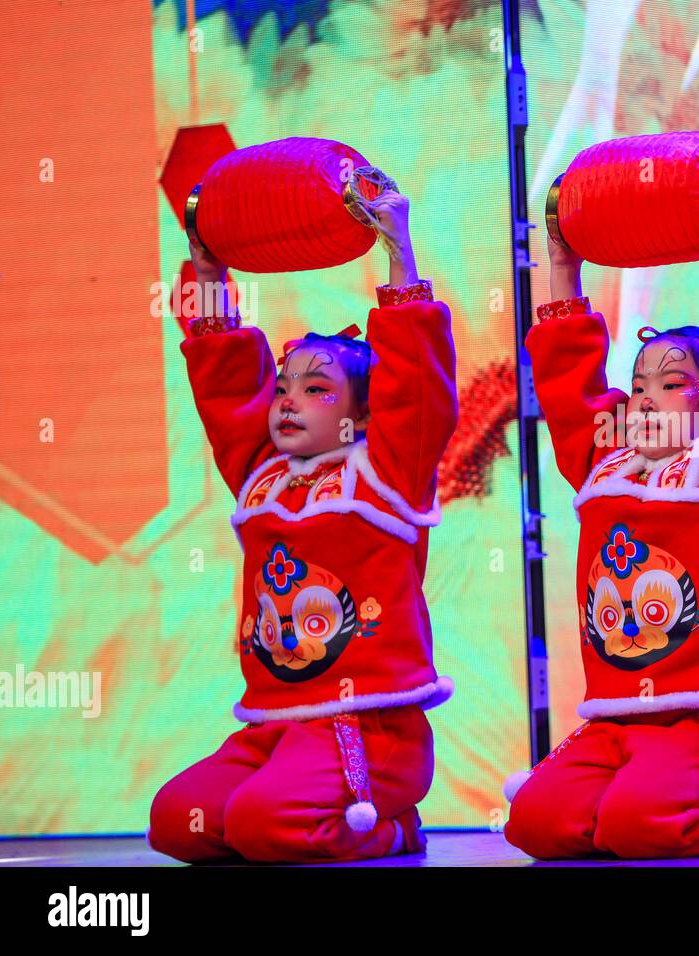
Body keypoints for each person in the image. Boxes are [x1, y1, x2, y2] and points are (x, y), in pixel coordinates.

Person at [503, 180, 699, 859]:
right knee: (535, 824)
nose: (643, 400)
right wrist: (562, 261)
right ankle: (641, 796)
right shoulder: (604, 464)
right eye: (638, 385)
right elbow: (566, 381)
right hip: (618, 722)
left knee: (637, 826)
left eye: (670, 386)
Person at [148, 189, 458, 863]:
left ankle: (394, 827)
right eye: (284, 387)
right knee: (179, 821)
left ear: (363, 413)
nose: (287, 401)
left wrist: (397, 249)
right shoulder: (262, 471)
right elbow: (223, 372)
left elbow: (416, 377)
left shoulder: (386, 469)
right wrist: (206, 270)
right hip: (276, 728)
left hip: (367, 729)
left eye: (316, 390)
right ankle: (299, 812)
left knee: (264, 826)